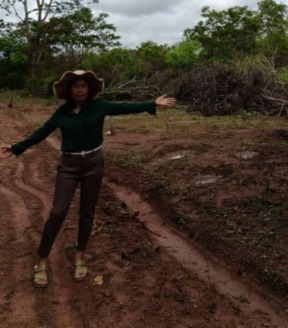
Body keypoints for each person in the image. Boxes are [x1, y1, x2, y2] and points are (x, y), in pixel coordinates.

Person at [0, 69, 176, 288]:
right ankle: (42, 260)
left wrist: (152, 103)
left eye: (84, 86)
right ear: (69, 90)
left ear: (89, 89)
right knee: (58, 212)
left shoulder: (99, 107)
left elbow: (125, 108)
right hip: (69, 165)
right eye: (76, 86)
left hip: (93, 163)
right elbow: (41, 133)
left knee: (87, 212)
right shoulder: (61, 113)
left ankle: (80, 256)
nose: (80, 90)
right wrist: (16, 147)